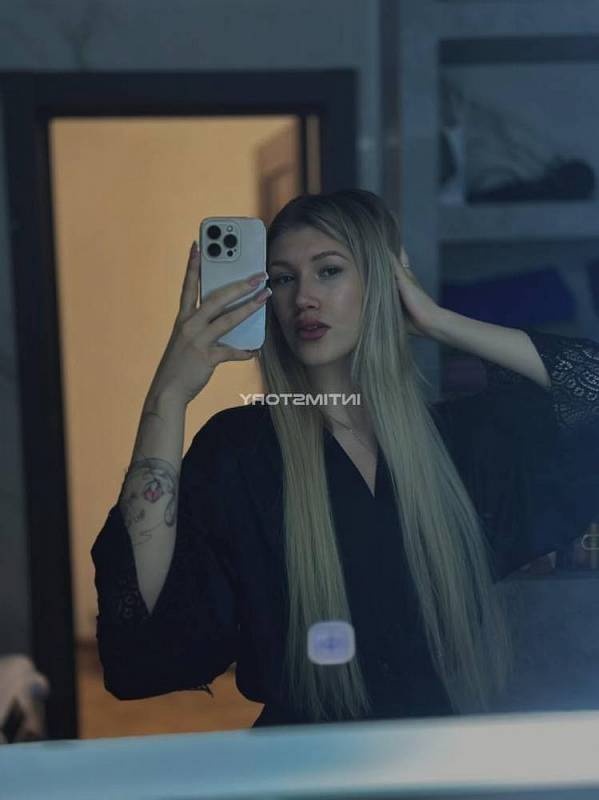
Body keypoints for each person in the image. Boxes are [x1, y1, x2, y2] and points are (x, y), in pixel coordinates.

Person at [92, 189, 599, 728]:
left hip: (432, 755)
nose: (303, 298)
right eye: (283, 279)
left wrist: (435, 319)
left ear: (381, 282)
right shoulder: (240, 449)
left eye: (328, 271)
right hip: (299, 761)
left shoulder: (456, 444)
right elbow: (140, 639)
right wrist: (168, 396)